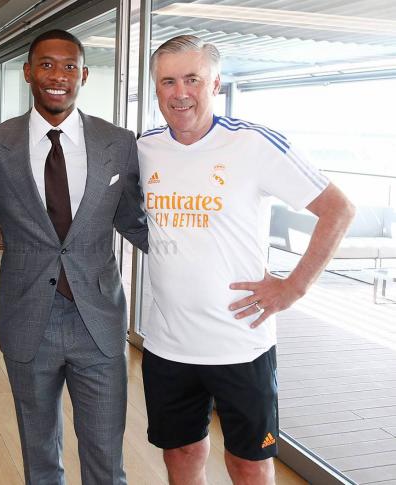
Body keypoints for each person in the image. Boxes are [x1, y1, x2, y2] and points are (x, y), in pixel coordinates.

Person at [137, 35, 355, 485]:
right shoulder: (144, 148)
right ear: (156, 89)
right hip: (166, 343)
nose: (180, 92)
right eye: (168, 81)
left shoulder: (254, 144)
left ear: (215, 84)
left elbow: (338, 208)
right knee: (180, 453)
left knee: (249, 464)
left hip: (241, 343)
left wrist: (293, 287)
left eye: (192, 79)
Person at [0, 29, 148, 485]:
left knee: (105, 456)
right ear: (28, 72)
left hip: (98, 320)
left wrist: (198, 261)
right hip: (27, 319)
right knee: (39, 457)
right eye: (47, 64)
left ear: (84, 75)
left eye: (69, 66)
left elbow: (134, 222)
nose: (58, 76)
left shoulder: (118, 142)